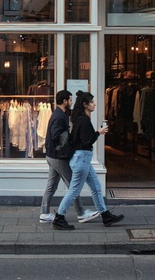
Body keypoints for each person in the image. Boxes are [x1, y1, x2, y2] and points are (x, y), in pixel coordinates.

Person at [52, 90, 125, 230]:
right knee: (74, 190)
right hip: (82, 158)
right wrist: (99, 132)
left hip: (82, 158)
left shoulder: (79, 119)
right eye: (91, 102)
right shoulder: (84, 121)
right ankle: (59, 217)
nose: (94, 104)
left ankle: (105, 215)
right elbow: (87, 141)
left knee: (96, 187)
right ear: (85, 104)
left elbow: (76, 140)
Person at [39, 90, 100, 224]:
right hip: (57, 157)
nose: (72, 102)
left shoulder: (59, 114)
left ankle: (44, 213)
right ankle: (81, 212)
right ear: (65, 101)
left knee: (52, 185)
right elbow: (56, 135)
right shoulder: (59, 116)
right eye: (70, 100)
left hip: (52, 155)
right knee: (73, 185)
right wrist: (68, 138)